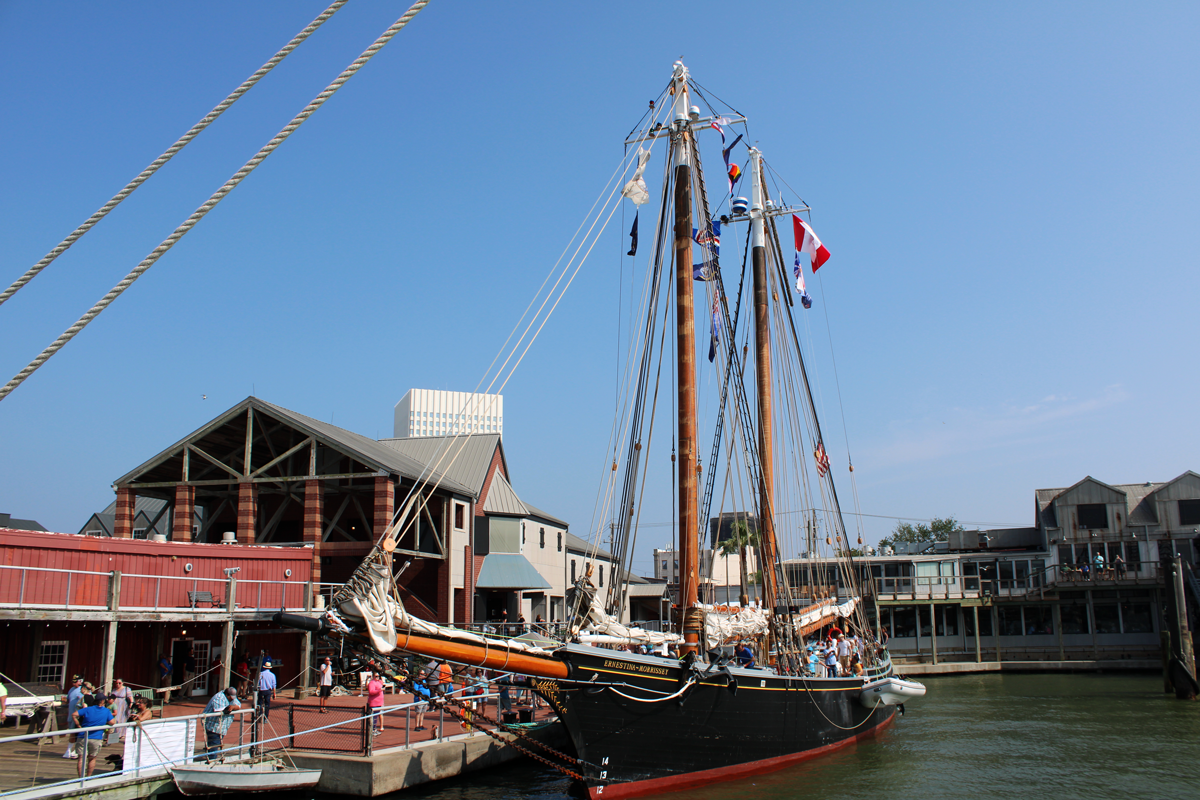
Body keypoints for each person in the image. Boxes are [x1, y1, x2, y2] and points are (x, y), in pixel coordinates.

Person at [73, 694, 114, 778]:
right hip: (96, 737)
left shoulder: (88, 709)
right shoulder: (106, 711)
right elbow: (112, 722)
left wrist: (77, 724)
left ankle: (80, 778)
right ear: (103, 701)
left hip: (82, 735)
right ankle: (88, 777)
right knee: (92, 758)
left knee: (81, 758)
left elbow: (74, 714)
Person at [201, 687, 240, 762]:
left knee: (217, 743)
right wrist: (229, 708)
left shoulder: (232, 698)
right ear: (227, 694)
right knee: (214, 744)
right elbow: (219, 710)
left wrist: (233, 707)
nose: (232, 699)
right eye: (231, 697)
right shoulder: (219, 697)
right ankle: (211, 761)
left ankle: (212, 758)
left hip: (222, 727)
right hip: (213, 725)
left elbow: (238, 706)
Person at [63, 675, 85, 758]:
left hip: (79, 716)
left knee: (79, 734)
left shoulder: (83, 690)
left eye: (75, 681)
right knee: (72, 733)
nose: (73, 683)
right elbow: (68, 699)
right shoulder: (71, 689)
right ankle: (69, 750)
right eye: (72, 681)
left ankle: (76, 750)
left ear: (80, 681)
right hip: (71, 715)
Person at [107, 678, 133, 745]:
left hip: (122, 706)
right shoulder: (114, 690)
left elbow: (130, 697)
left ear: (122, 683)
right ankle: (114, 735)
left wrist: (131, 703)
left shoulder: (126, 689)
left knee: (120, 720)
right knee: (115, 719)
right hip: (115, 705)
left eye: (119, 683)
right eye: (116, 683)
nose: (118, 684)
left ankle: (120, 734)